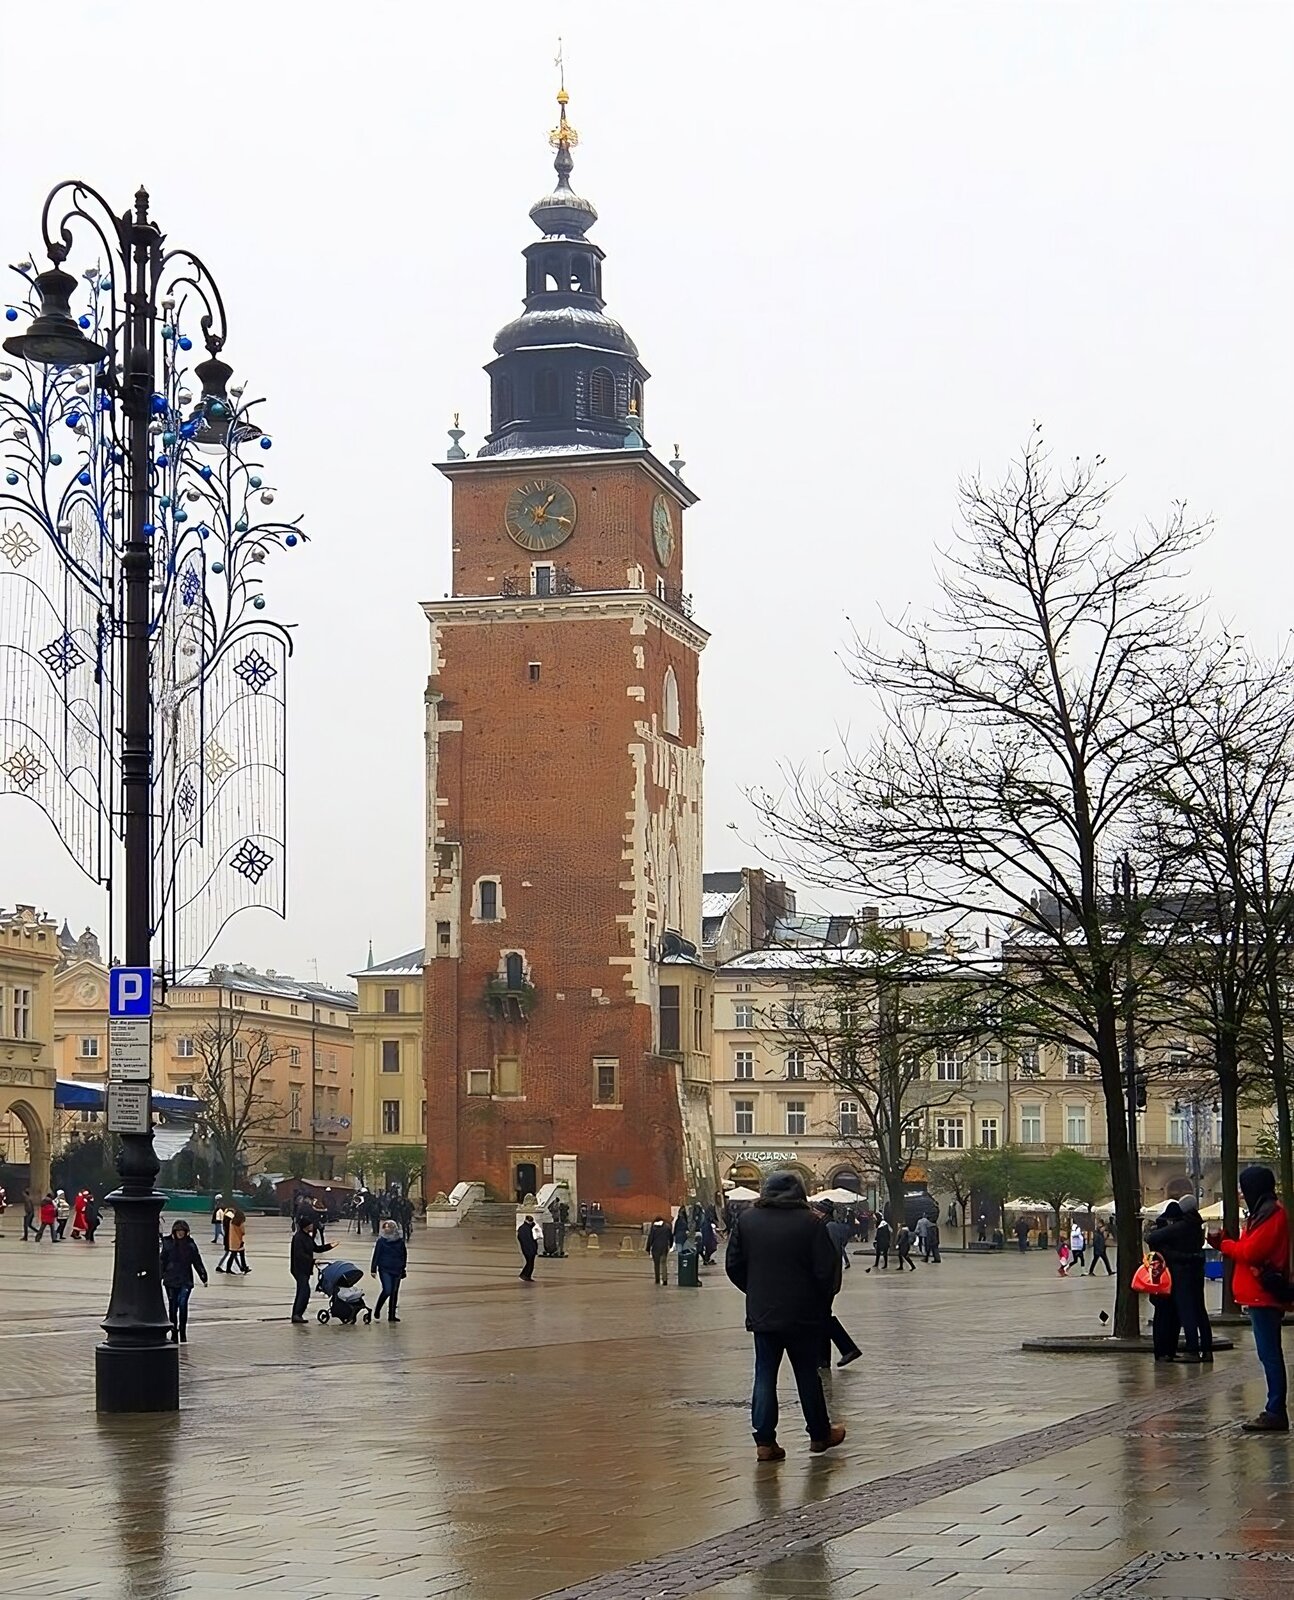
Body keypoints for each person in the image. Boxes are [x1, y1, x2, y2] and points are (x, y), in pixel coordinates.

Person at [725, 1172, 846, 1461]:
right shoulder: (812, 1223)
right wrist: (817, 1302)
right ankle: (819, 1434)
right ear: (800, 1193)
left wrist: (755, 1290)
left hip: (763, 1312)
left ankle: (765, 1442)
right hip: (803, 1314)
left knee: (764, 1373)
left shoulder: (747, 1221)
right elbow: (825, 1271)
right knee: (806, 1373)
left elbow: (733, 1265)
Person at [1210, 1165, 1290, 1430]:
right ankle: (1274, 1409)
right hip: (1257, 1295)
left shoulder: (1272, 1216)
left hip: (1264, 1296)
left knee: (1270, 1355)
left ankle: (1275, 1411)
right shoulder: (1260, 1214)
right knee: (1268, 1354)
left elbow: (1251, 1251)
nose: (1243, 1193)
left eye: (1245, 1187)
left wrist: (1225, 1245)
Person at [1166, 1196, 1213, 1363]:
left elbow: (1152, 1237)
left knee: (1187, 1312)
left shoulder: (1181, 1226)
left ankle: (1192, 1350)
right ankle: (1207, 1351)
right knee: (1200, 1311)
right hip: (1197, 1273)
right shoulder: (1197, 1225)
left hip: (1183, 1274)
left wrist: (1171, 1253)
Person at [1144, 1201, 1182, 1359]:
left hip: (1159, 1281)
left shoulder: (1159, 1234)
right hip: (1166, 1281)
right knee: (1166, 1317)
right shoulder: (1163, 1235)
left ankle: (1166, 1351)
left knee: (1165, 1316)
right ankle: (1163, 1351)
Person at [160, 1219, 208, 1343]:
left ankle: (183, 1330)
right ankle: (174, 1330)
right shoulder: (168, 1243)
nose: (180, 1234)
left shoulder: (190, 1245)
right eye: (178, 1231)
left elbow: (197, 1261)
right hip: (170, 1279)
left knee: (182, 1303)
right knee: (172, 1306)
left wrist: (203, 1275)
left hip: (185, 1279)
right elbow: (162, 1261)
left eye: (182, 1231)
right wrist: (160, 1275)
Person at [289, 1214, 333, 1322]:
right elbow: (299, 1255)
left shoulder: (307, 1237)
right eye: (310, 1224)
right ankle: (297, 1314)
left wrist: (330, 1246)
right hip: (299, 1269)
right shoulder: (298, 1238)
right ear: (305, 1226)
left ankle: (297, 1314)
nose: (312, 1226)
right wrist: (313, 1261)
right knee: (304, 1291)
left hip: (306, 1268)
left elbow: (316, 1248)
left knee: (303, 1291)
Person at [370, 1217, 407, 1322]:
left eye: (389, 1228)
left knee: (395, 1292)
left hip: (397, 1268)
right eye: (385, 1228)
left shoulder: (400, 1241)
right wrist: (373, 1269)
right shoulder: (381, 1241)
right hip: (384, 1268)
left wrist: (403, 1268)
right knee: (387, 1290)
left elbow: (403, 1255)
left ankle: (391, 1315)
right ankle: (378, 1309)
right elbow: (376, 1255)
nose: (386, 1230)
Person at [218, 1207, 249, 1274]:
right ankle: (242, 1267)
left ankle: (242, 1267)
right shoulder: (240, 1223)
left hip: (232, 1240)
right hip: (238, 1240)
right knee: (239, 1254)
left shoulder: (232, 1222)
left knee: (233, 1255)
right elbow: (243, 1232)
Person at [646, 1215, 673, 1284]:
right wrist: (670, 1245)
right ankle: (665, 1279)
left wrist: (648, 1248)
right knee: (663, 1263)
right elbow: (671, 1237)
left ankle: (657, 1279)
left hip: (655, 1248)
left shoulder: (653, 1227)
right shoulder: (667, 1227)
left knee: (656, 1264)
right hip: (664, 1247)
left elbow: (650, 1238)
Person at [518, 1213, 539, 1281]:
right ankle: (525, 1275)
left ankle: (525, 1275)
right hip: (528, 1248)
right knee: (530, 1263)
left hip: (529, 1248)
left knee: (530, 1263)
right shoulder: (524, 1228)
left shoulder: (527, 1228)